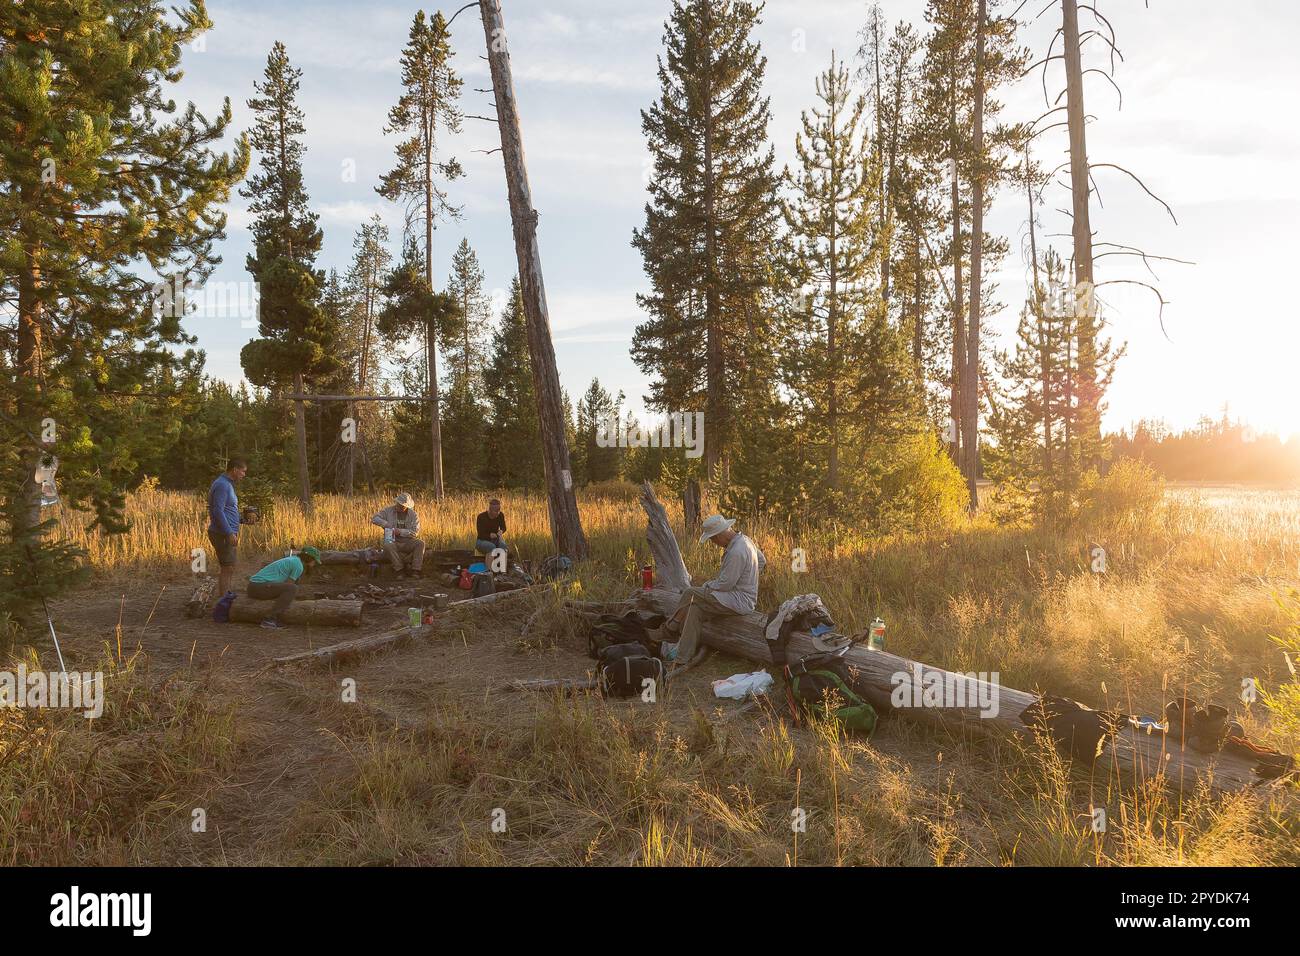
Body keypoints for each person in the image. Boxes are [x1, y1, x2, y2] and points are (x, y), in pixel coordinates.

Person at [664, 514, 766, 665]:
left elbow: (725, 584)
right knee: (694, 610)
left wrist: (707, 585)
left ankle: (670, 627)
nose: (713, 542)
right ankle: (682, 657)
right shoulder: (745, 540)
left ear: (719, 535)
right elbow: (762, 561)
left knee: (690, 592)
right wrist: (750, 577)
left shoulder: (736, 551)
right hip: (738, 597)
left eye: (712, 539)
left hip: (738, 600)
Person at [248, 546, 321, 630]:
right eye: (314, 560)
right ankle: (270, 619)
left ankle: (272, 619)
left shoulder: (294, 560)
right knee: (292, 588)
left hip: (255, 586)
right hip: (258, 587)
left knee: (292, 588)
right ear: (309, 558)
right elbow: (290, 585)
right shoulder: (298, 565)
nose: (315, 563)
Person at [207, 458, 247, 597]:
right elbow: (217, 511)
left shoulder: (226, 484)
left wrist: (243, 519)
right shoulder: (223, 485)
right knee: (227, 567)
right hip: (221, 534)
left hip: (225, 532)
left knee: (229, 567)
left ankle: (226, 597)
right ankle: (223, 601)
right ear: (235, 469)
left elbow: (227, 510)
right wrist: (229, 532)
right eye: (243, 471)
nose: (244, 474)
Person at [371, 493, 425, 576]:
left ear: (406, 506)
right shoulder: (388, 510)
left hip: (407, 540)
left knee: (420, 543)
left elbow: (415, 532)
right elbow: (374, 518)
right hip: (390, 536)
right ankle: (399, 570)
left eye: (401, 505)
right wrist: (387, 525)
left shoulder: (414, 515)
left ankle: (416, 570)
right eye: (398, 503)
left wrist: (400, 532)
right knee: (388, 544)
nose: (398, 506)